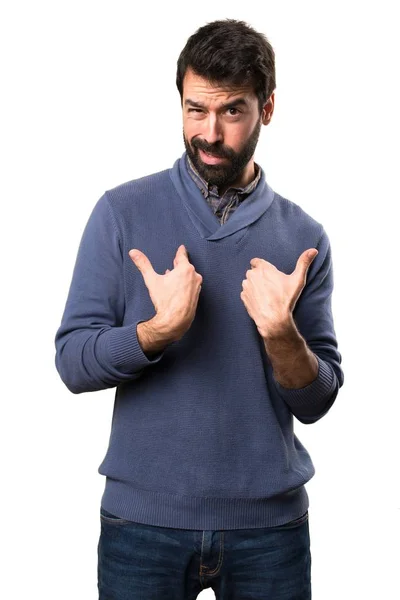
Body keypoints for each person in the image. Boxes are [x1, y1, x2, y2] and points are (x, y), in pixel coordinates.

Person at [55, 18, 344, 600]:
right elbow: (72, 362)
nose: (209, 133)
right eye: (195, 110)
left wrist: (282, 335)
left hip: (270, 530)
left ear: (266, 109)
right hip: (142, 525)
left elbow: (318, 401)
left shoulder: (304, 237)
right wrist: (156, 332)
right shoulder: (121, 212)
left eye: (231, 112)